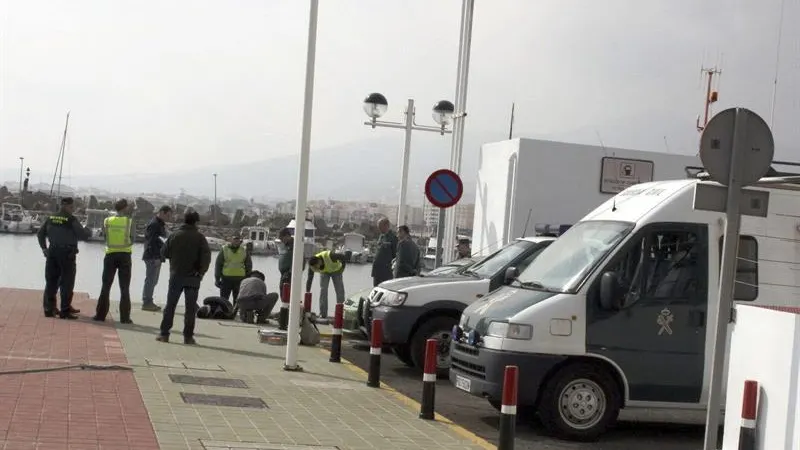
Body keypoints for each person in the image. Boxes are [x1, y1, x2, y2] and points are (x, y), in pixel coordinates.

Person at [157, 210, 211, 344]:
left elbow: (163, 252)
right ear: (196, 222)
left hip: (176, 275)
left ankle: (164, 334)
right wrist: (201, 272)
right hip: (193, 277)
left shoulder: (175, 235)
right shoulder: (200, 238)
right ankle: (188, 337)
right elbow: (206, 257)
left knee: (170, 306)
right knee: (190, 309)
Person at [37, 197, 91, 319]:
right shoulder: (70, 219)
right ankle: (65, 310)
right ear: (67, 207)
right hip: (66, 253)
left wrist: (44, 248)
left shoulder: (51, 218)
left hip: (52, 252)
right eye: (72, 207)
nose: (73, 209)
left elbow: (40, 233)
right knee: (67, 282)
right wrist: (88, 231)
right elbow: (82, 235)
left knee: (51, 281)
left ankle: (49, 309)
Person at [93, 199, 135, 324]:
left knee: (106, 286)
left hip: (110, 255)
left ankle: (100, 315)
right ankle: (125, 318)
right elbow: (133, 239)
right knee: (124, 288)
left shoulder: (107, 221)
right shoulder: (129, 222)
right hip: (125, 256)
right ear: (125, 208)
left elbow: (104, 237)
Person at [141, 205, 172, 312]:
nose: (168, 218)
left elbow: (161, 239)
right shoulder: (154, 224)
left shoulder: (159, 224)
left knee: (153, 280)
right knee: (151, 279)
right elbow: (151, 242)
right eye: (167, 215)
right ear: (162, 212)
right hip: (152, 257)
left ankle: (148, 301)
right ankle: (147, 302)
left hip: (156, 256)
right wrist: (156, 257)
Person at [306, 249, 351, 318]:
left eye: (316, 267)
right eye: (314, 268)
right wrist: (307, 291)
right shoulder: (312, 264)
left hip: (336, 271)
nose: (315, 269)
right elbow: (309, 278)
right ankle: (323, 314)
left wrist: (342, 269)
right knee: (323, 290)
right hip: (324, 272)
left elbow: (343, 257)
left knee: (340, 291)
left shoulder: (331, 256)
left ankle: (340, 314)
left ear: (319, 261)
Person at [214, 236, 252, 305]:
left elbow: (248, 265)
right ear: (231, 240)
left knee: (237, 300)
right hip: (226, 279)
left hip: (239, 280)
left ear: (240, 241)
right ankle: (225, 313)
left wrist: (247, 278)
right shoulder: (224, 249)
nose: (236, 241)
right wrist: (217, 279)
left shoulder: (244, 250)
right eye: (235, 239)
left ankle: (234, 313)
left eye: (238, 240)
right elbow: (218, 265)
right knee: (224, 300)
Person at [371, 217, 397, 286]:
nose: (379, 228)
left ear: (386, 226)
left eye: (380, 226)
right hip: (377, 270)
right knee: (375, 289)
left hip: (386, 272)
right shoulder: (381, 236)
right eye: (378, 226)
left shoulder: (393, 237)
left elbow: (395, 255)